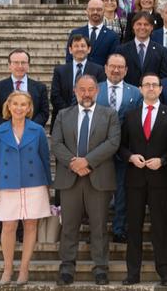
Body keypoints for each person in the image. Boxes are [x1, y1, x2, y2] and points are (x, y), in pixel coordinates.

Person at [50, 75, 121, 286]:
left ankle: (100, 268)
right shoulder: (64, 114)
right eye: (82, 89)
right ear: (75, 91)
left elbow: (113, 142)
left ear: (97, 91)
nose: (87, 93)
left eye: (91, 89)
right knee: (69, 226)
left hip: (97, 177)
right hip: (70, 177)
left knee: (99, 227)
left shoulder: (109, 115)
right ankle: (67, 267)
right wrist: (73, 162)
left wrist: (87, 162)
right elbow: (56, 142)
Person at [0, 92, 52, 286]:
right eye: (15, 104)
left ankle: (24, 269)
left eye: (23, 104)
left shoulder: (38, 130)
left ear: (29, 108)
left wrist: (47, 185)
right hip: (8, 184)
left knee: (31, 225)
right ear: (9, 106)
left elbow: (45, 159)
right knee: (8, 226)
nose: (19, 108)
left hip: (35, 183)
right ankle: (7, 269)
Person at [118, 73, 167, 287]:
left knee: (161, 227)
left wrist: (163, 160)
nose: (151, 88)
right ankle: (132, 272)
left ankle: (165, 272)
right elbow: (121, 146)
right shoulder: (130, 115)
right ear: (141, 89)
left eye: (155, 85)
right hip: (135, 180)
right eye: (147, 85)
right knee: (133, 228)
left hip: (161, 179)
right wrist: (130, 157)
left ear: (161, 89)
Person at [97, 54, 143, 243]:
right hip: (98, 150)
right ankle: (97, 230)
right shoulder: (95, 89)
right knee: (99, 192)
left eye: (120, 67)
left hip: (125, 150)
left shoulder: (135, 93)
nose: (116, 70)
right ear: (106, 68)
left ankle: (119, 228)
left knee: (123, 191)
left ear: (126, 70)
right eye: (112, 66)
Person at [51, 35, 106, 126]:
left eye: (83, 46)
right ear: (70, 50)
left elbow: (100, 94)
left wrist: (84, 111)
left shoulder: (99, 70)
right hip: (64, 118)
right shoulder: (60, 70)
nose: (80, 49)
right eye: (76, 46)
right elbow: (55, 96)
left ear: (89, 49)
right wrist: (71, 113)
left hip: (90, 118)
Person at [0, 50, 50, 128]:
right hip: (6, 135)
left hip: (32, 133)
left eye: (23, 62)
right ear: (9, 65)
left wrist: (30, 128)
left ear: (28, 65)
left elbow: (44, 113)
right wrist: (9, 130)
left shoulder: (40, 87)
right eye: (16, 62)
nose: (20, 66)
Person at [116, 12, 167, 86]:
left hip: (151, 93)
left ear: (152, 27)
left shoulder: (161, 51)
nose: (142, 27)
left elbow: (163, 79)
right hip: (129, 94)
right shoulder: (121, 50)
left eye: (146, 24)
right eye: (139, 24)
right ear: (133, 26)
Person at [67, 0, 120, 66]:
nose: (95, 12)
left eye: (99, 9)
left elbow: (113, 61)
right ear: (87, 11)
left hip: (102, 75)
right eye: (92, 9)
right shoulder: (75, 33)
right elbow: (69, 59)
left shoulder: (113, 36)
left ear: (104, 11)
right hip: (79, 75)